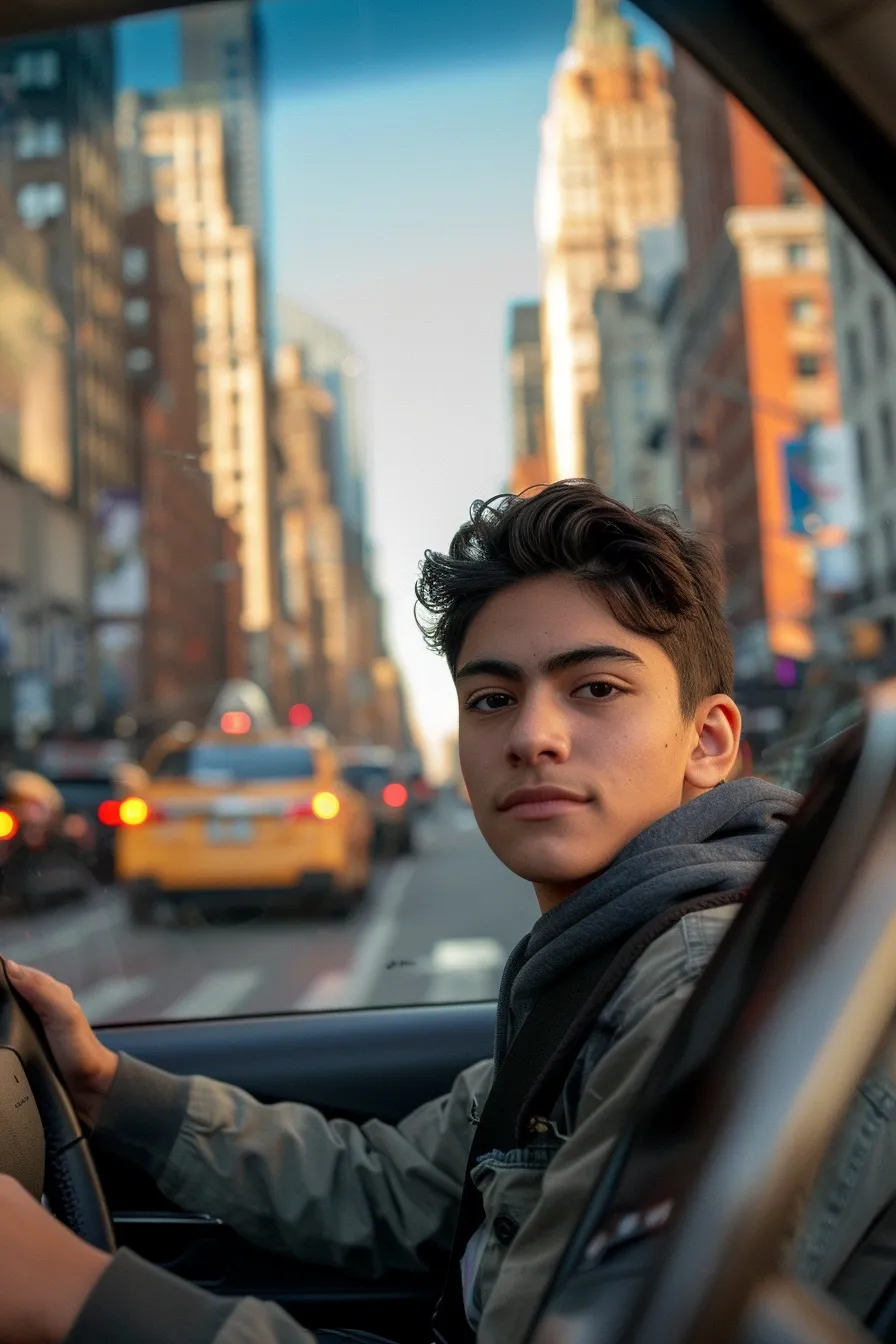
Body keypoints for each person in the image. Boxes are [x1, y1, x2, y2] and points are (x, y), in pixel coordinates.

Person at [0, 480, 893, 1344]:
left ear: (709, 742)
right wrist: (111, 1091)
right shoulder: (604, 958)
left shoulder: (697, 986)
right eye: (492, 699)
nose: (532, 735)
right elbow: (397, 1186)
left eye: (596, 690)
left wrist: (76, 1300)